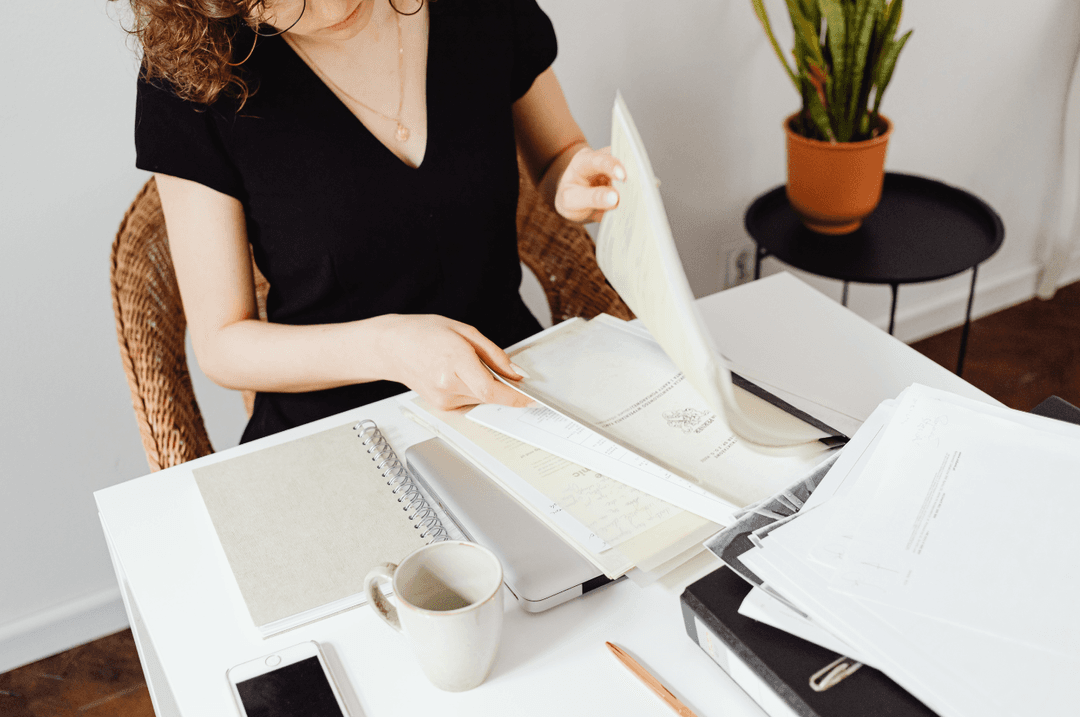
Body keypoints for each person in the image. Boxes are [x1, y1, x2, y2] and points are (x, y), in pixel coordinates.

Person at [120, 0, 625, 442]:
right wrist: (388, 348)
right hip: (337, 430)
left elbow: (557, 155)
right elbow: (222, 343)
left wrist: (570, 176)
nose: (338, 7)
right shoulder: (192, 70)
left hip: (512, 385)